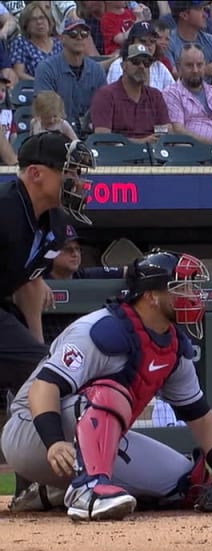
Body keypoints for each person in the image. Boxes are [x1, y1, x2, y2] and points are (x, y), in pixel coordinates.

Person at [1, 249, 212, 520]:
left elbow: (201, 416)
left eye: (191, 287)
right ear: (151, 296)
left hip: (88, 442)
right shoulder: (101, 330)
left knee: (188, 484)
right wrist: (53, 443)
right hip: (31, 433)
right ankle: (88, 490)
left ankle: (50, 493)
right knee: (109, 393)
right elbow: (42, 389)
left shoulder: (172, 345)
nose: (191, 295)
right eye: (180, 287)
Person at [0, 131, 92, 410]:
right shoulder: (5, 209)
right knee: (42, 371)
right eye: (68, 172)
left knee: (44, 369)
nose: (76, 181)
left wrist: (39, 347)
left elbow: (30, 283)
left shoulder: (56, 224)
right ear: (35, 173)